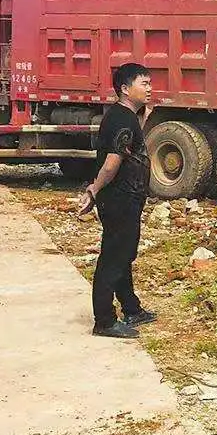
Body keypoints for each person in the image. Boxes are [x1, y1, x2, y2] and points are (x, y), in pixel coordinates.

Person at [77, 62, 157, 339]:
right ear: (125, 88)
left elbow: (132, 145)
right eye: (143, 83)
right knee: (113, 257)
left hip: (127, 198)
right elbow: (112, 164)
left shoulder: (126, 116)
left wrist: (144, 117)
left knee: (123, 253)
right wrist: (94, 190)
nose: (149, 88)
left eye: (149, 83)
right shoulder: (122, 119)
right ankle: (104, 320)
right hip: (119, 199)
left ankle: (131, 309)